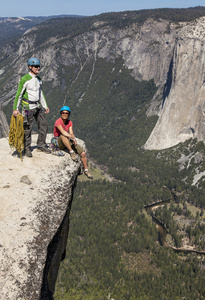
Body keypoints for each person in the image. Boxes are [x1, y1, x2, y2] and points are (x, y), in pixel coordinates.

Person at [13, 57, 51, 157]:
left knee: (44, 125)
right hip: (28, 107)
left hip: (37, 106)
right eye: (36, 66)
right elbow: (18, 94)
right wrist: (15, 109)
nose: (38, 68)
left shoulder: (39, 79)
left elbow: (40, 93)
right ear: (30, 67)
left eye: (39, 66)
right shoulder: (24, 79)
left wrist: (45, 106)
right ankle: (26, 148)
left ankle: (41, 145)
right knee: (27, 128)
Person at [54, 106, 93, 179]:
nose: (65, 114)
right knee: (63, 135)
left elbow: (71, 132)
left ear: (69, 114)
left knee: (83, 153)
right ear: (61, 113)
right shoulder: (58, 121)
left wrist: (73, 138)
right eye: (63, 113)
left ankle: (86, 170)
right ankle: (71, 152)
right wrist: (71, 137)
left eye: (66, 113)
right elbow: (62, 132)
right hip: (58, 141)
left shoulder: (69, 122)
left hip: (67, 140)